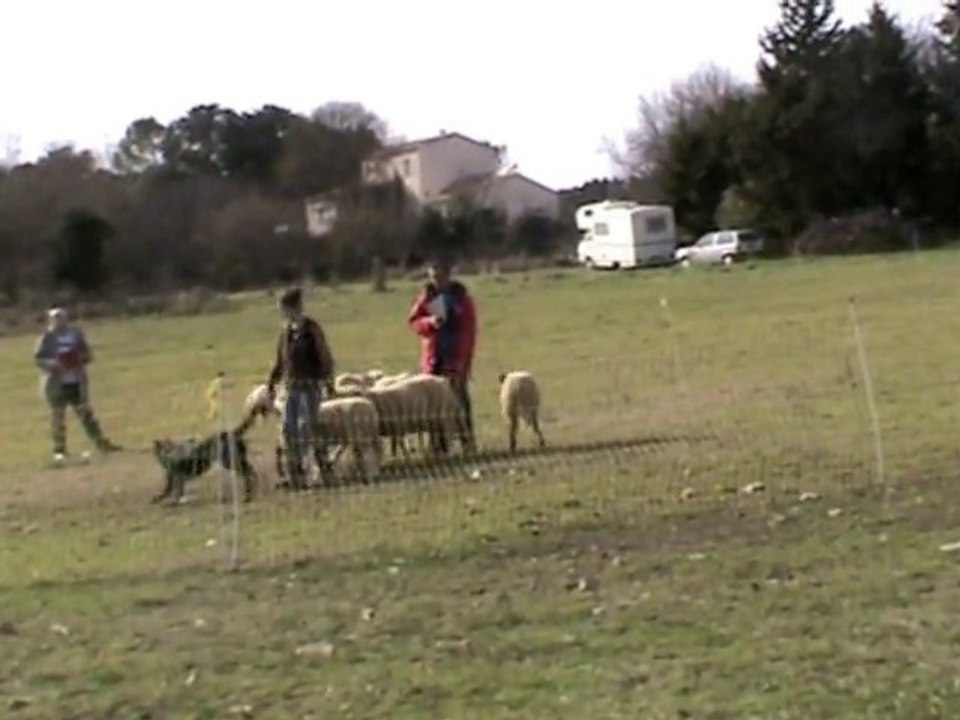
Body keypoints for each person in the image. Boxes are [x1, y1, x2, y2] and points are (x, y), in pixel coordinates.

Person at [266, 287, 336, 489]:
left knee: (308, 428)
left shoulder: (312, 329)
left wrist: (328, 382)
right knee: (288, 429)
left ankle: (320, 469)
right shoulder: (285, 332)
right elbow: (280, 361)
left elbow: (324, 356)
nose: (282, 313)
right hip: (291, 388)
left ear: (295, 307)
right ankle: (295, 472)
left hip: (310, 386)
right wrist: (271, 383)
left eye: (284, 308)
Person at [34, 307, 120, 463]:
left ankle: (101, 444)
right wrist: (55, 364)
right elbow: (39, 360)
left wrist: (79, 359)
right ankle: (59, 450)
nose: (59, 321)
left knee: (86, 414)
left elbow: (88, 354)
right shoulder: (46, 338)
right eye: (55, 318)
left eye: (62, 317)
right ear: (50, 320)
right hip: (56, 384)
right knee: (58, 417)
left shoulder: (75, 334)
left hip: (76, 381)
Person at [407, 258, 477, 451]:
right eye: (433, 275)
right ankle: (438, 446)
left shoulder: (461, 297)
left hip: (455, 356)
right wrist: (429, 322)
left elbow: (470, 330)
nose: (437, 279)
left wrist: (466, 359)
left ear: (449, 274)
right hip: (434, 357)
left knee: (459, 399)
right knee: (435, 403)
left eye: (440, 275)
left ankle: (467, 441)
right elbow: (413, 321)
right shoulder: (427, 297)